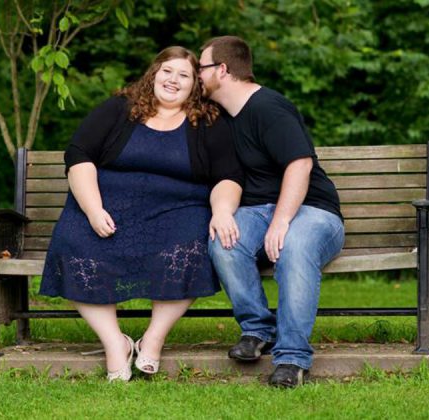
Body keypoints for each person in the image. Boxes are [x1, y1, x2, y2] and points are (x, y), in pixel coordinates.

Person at [39, 46, 244, 382]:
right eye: (167, 71)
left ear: (195, 84)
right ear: (154, 73)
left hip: (176, 211)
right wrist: (93, 209)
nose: (173, 80)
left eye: (184, 75)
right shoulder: (120, 108)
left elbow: (228, 176)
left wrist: (222, 211)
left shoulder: (208, 121)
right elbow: (79, 155)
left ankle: (153, 339)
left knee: (192, 247)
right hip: (106, 208)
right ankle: (115, 345)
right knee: (73, 243)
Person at [199, 36, 345, 388]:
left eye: (201, 68)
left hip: (313, 210)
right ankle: (257, 329)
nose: (197, 75)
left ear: (222, 69)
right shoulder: (222, 117)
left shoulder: (269, 107)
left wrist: (281, 221)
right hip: (258, 210)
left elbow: (300, 164)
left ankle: (292, 357)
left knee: (294, 246)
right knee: (224, 242)